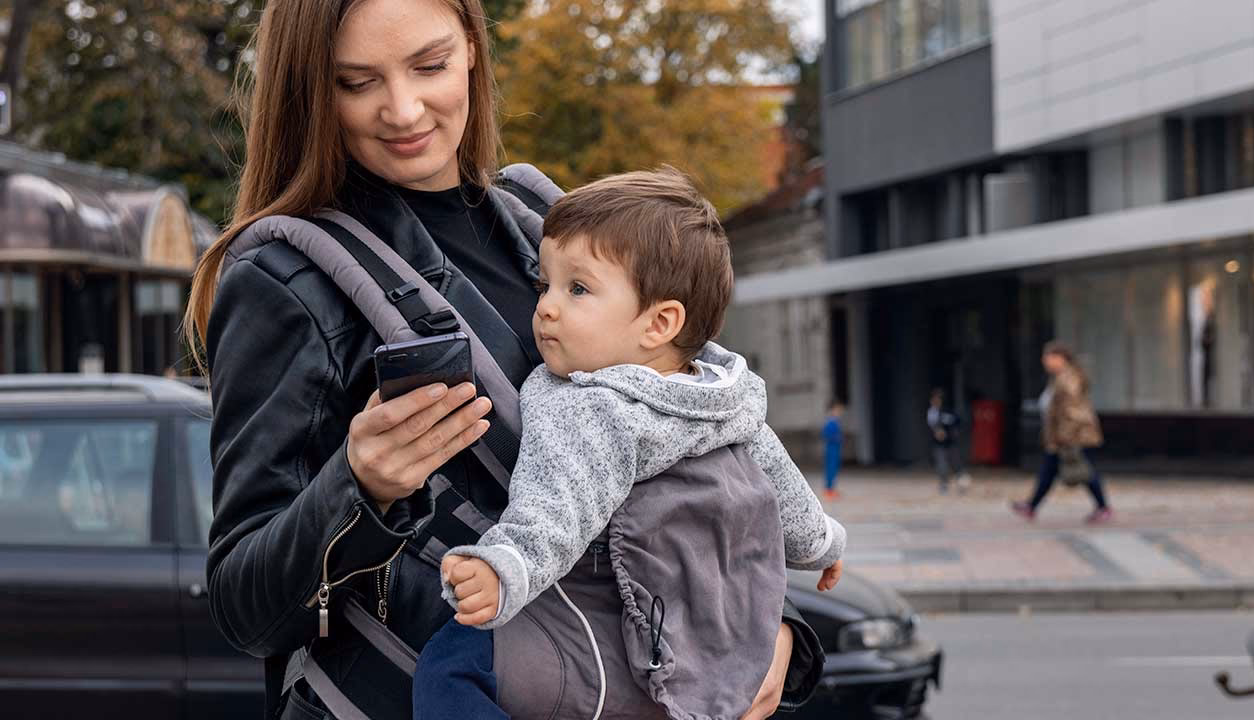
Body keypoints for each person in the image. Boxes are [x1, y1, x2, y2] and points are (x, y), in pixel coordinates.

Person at [184, 1, 825, 717]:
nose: (402, 108)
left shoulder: (551, 232)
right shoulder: (285, 280)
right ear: (308, 89)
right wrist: (359, 486)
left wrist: (773, 629)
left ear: (472, 52)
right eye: (355, 82)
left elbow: (688, 443)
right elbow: (246, 608)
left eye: (429, 66)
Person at [413, 170, 846, 720]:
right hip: (687, 644)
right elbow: (781, 485)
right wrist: (822, 545)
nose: (545, 306)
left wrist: (504, 568)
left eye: (578, 289)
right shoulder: (724, 394)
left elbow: (558, 506)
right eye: (544, 283)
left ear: (659, 322)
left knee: (450, 666)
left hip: (586, 642)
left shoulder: (588, 404)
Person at [1011, 341, 1112, 524]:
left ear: (1060, 358)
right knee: (1050, 471)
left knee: (1083, 471)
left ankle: (1103, 507)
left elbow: (1072, 412)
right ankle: (1032, 506)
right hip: (1062, 436)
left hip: (1071, 437)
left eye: (1048, 357)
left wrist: (1064, 437)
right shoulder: (1060, 378)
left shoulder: (1068, 379)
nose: (1044, 361)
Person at [927, 388, 971, 494]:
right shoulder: (931, 412)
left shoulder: (949, 411)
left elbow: (959, 423)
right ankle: (944, 485)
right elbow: (933, 427)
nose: (935, 401)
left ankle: (962, 486)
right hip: (938, 445)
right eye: (933, 399)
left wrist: (954, 432)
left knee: (957, 465)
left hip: (951, 443)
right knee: (942, 465)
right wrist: (937, 431)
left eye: (937, 399)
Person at [822, 400, 844, 500]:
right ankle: (828, 489)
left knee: (834, 469)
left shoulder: (836, 422)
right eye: (837, 410)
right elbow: (825, 434)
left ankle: (832, 488)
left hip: (836, 447)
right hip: (831, 448)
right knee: (830, 469)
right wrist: (836, 438)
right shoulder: (830, 422)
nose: (839, 412)